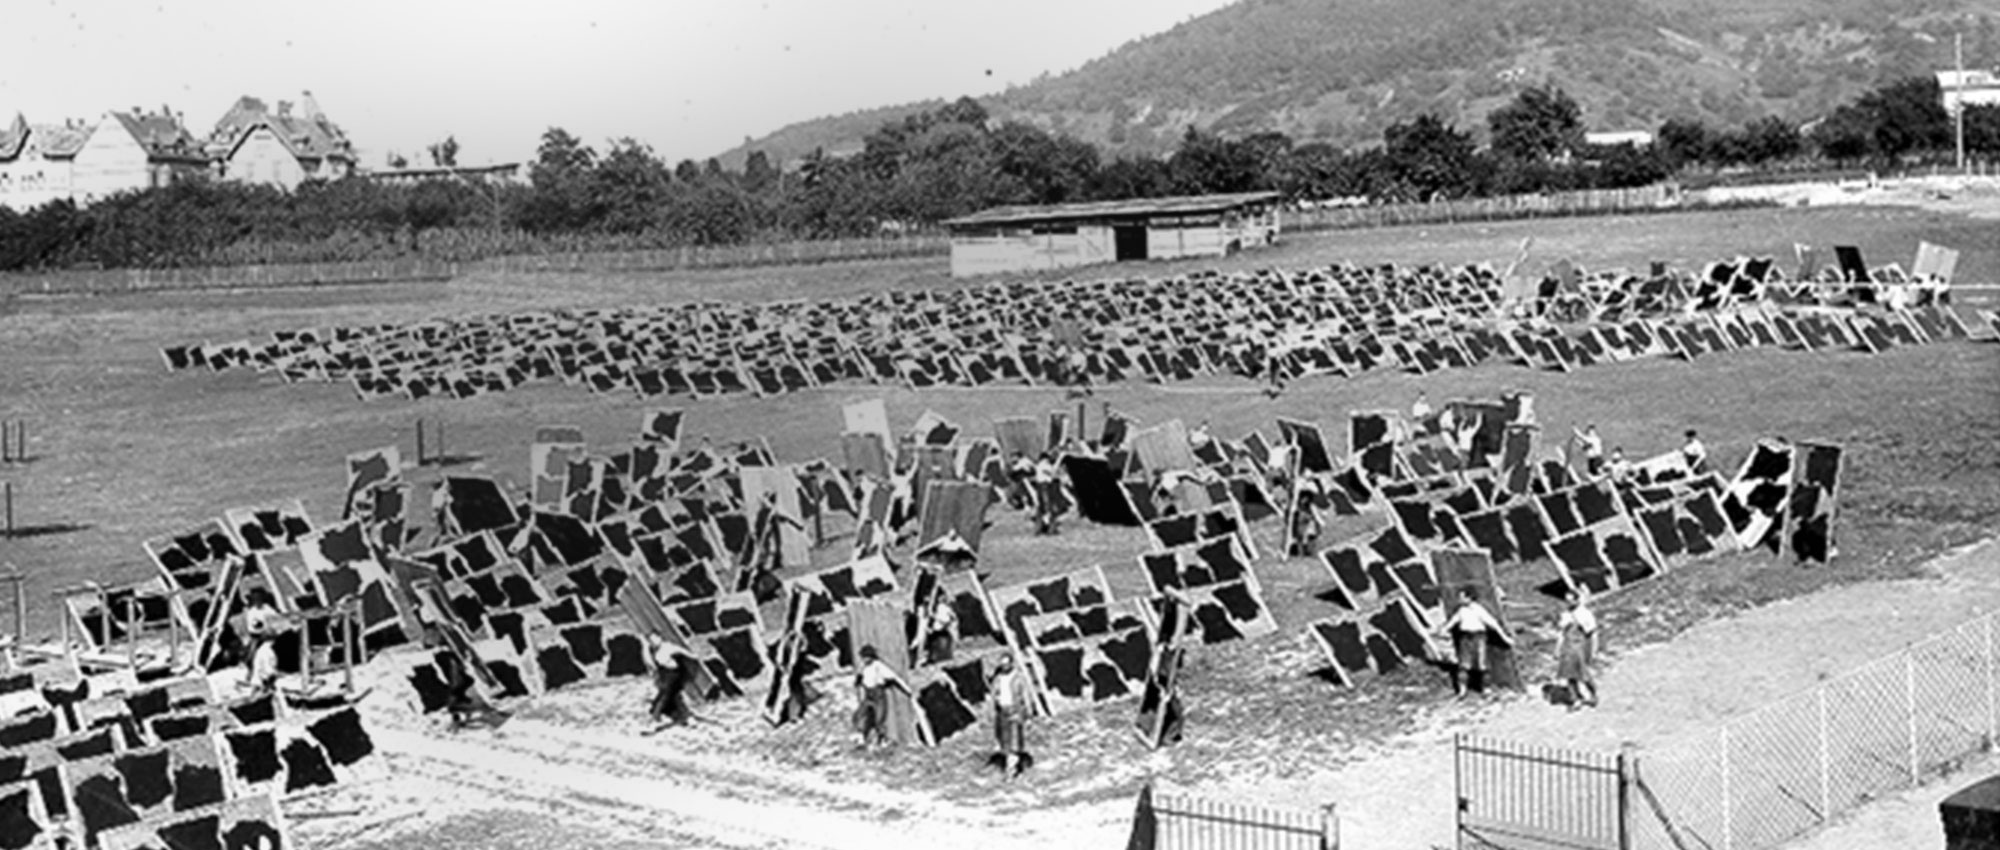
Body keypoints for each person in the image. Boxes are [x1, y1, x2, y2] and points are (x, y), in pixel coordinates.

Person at [1433, 588, 1514, 697]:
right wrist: (1443, 630)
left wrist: (1504, 637)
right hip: (1465, 638)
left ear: (1469, 598)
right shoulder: (1462, 611)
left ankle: (1486, 688)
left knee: (1482, 664)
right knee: (1463, 665)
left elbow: (1493, 624)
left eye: (1462, 597)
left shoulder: (1478, 610)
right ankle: (1462, 690)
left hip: (1478, 637)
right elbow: (1453, 621)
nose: (1460, 599)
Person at [853, 645, 910, 749]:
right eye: (863, 657)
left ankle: (882, 739)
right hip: (868, 693)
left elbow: (894, 677)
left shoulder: (878, 666)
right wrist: (858, 680)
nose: (864, 659)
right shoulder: (864, 667)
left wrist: (907, 689)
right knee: (862, 714)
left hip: (878, 693)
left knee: (880, 717)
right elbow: (861, 677)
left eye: (866, 657)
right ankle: (861, 738)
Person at [989, 652, 1034, 778]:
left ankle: (1013, 768)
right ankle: (1009, 765)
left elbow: (1025, 696)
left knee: (1015, 740)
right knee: (1005, 740)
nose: (1005, 666)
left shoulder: (1018, 678)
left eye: (1007, 664)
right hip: (1002, 710)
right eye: (1002, 664)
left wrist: (1027, 713)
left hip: (1015, 710)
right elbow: (993, 694)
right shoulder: (998, 679)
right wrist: (994, 705)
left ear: (1011, 663)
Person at [1554, 588, 1601, 710]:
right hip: (1567, 647)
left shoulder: (1584, 614)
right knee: (1569, 674)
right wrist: (1557, 648)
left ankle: (1593, 694)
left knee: (1583, 674)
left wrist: (1594, 649)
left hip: (1580, 647)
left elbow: (1592, 633)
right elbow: (1562, 633)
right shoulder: (1565, 615)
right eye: (1566, 601)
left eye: (1571, 600)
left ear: (1577, 600)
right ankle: (1576, 699)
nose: (1568, 603)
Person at [647, 633, 697, 731]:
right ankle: (689, 718)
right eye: (651, 641)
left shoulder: (667, 647)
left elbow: (680, 650)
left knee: (663, 697)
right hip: (665, 675)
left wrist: (692, 656)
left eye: (655, 639)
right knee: (675, 697)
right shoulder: (653, 650)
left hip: (673, 675)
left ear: (660, 638)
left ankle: (655, 720)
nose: (654, 642)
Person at [1031, 452, 1062, 535]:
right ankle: (1050, 528)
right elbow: (1053, 473)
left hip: (1040, 487)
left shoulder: (1039, 465)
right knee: (1048, 507)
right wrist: (1059, 460)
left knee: (1042, 508)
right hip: (1046, 486)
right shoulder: (1044, 465)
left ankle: (1040, 528)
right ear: (1045, 459)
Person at [922, 595, 958, 665]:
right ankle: (931, 658)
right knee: (933, 643)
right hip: (938, 630)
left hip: (941, 631)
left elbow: (950, 620)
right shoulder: (942, 607)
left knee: (937, 643)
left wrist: (935, 617)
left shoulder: (946, 609)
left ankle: (933, 658)